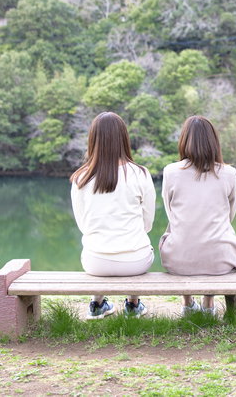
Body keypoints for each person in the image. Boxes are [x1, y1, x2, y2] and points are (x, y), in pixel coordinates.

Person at [159, 115, 236, 316]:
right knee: (223, 238)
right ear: (214, 142)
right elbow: (229, 215)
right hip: (219, 262)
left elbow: (171, 213)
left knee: (175, 232)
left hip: (178, 261)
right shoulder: (229, 173)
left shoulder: (170, 171)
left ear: (184, 141)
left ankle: (187, 304)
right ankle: (209, 305)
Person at [70, 112, 155, 319]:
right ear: (123, 139)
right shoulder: (140, 173)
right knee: (140, 242)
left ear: (93, 140)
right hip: (136, 261)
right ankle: (133, 305)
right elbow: (148, 221)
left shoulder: (81, 178)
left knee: (93, 243)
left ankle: (97, 304)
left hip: (95, 262)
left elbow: (83, 225)